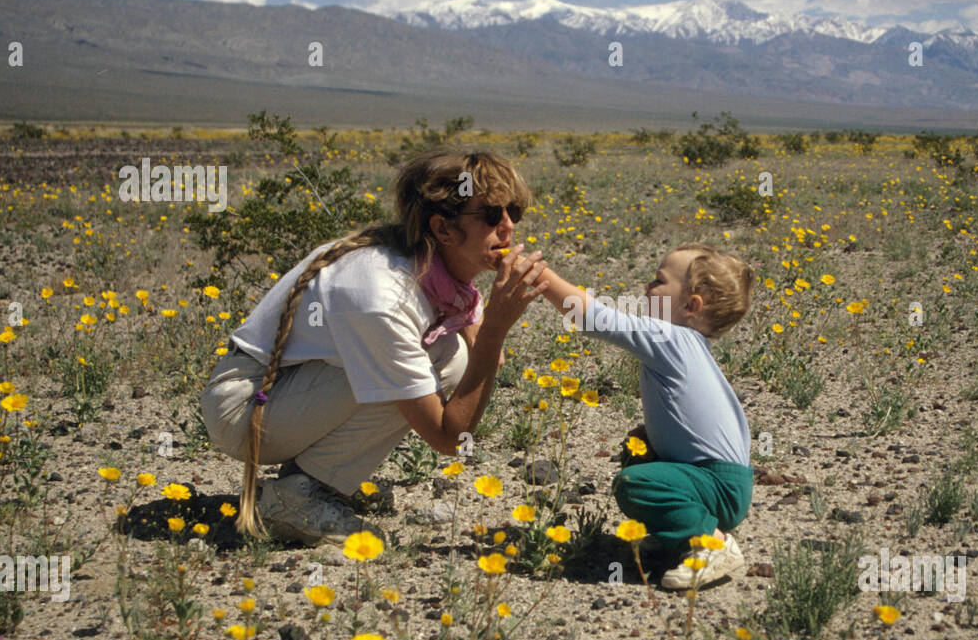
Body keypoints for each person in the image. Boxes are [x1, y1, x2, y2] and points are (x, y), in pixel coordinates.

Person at [199, 149, 548, 546]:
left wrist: (486, 332)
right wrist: (496, 328)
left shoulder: (429, 269)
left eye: (513, 212)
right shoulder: (383, 296)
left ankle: (311, 479)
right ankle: (297, 496)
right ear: (444, 229)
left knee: (450, 356)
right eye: (490, 215)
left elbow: (487, 358)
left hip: (284, 393)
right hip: (245, 408)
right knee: (436, 362)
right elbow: (449, 439)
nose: (508, 227)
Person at [535, 244, 754, 589]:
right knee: (638, 449)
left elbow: (596, 319)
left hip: (717, 483)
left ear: (690, 305)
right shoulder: (687, 344)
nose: (646, 288)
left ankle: (712, 542)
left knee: (634, 483)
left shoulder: (672, 338)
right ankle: (677, 534)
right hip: (719, 481)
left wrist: (541, 277)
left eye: (658, 281)